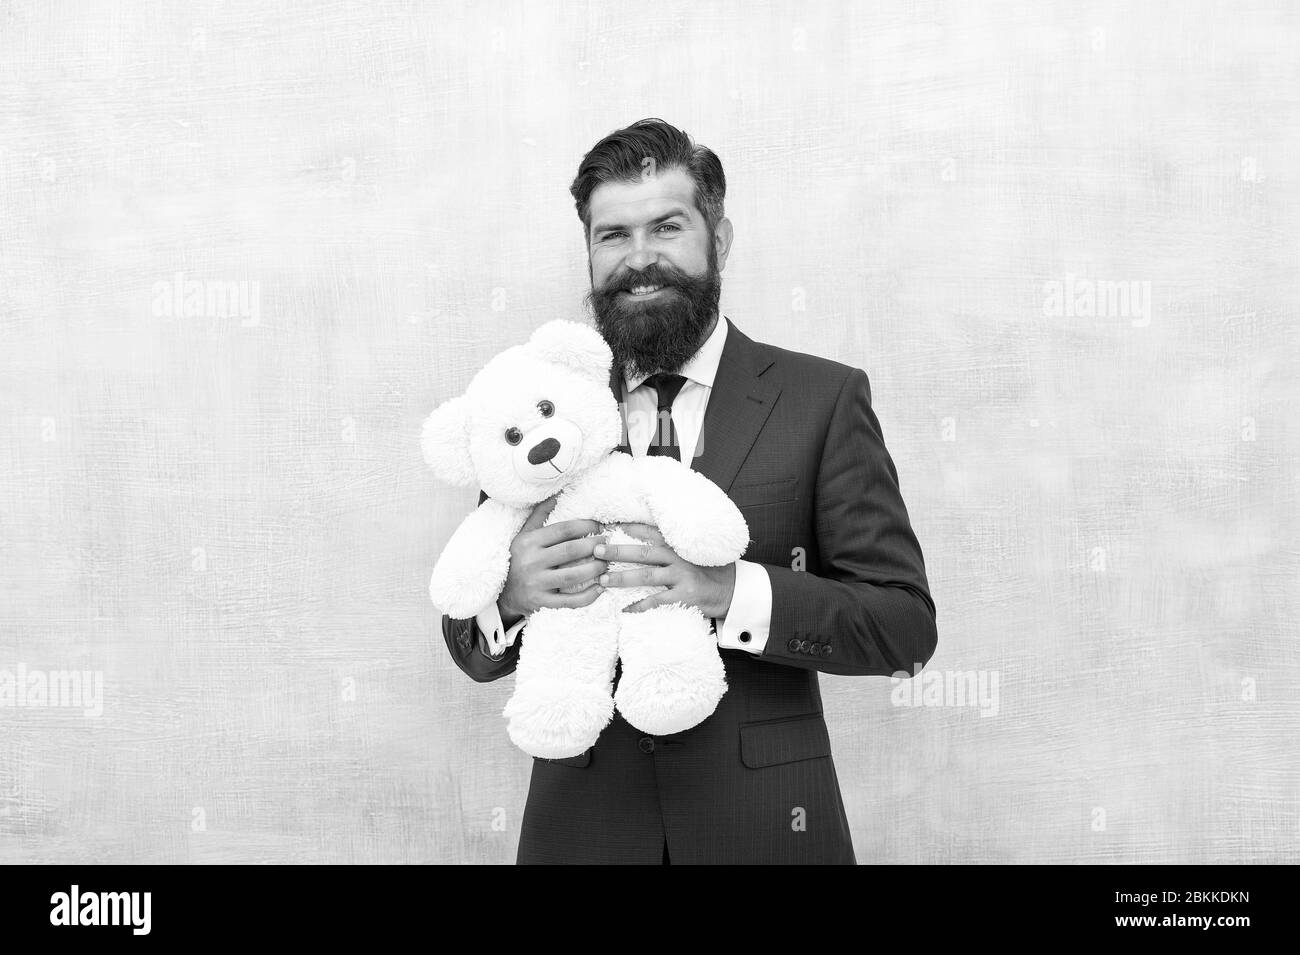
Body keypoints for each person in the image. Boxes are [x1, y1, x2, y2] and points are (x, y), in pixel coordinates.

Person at [440, 118, 937, 864]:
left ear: (720, 238)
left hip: (767, 830)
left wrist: (728, 590)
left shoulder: (822, 399)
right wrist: (510, 595)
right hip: (582, 834)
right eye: (613, 235)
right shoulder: (545, 406)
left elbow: (903, 626)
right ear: (588, 251)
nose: (639, 260)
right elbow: (468, 644)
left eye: (666, 227)